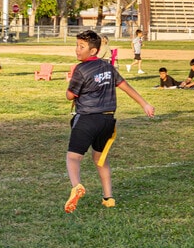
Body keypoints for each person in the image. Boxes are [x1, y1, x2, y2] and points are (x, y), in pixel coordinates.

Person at [65, 30, 155, 213]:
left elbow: (70, 96)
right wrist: (144, 104)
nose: (77, 50)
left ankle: (76, 186)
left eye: (81, 46)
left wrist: (70, 81)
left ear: (93, 50)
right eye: (76, 45)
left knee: (73, 157)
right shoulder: (108, 67)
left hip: (87, 119)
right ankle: (108, 198)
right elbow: (124, 86)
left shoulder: (80, 69)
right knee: (100, 159)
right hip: (107, 120)